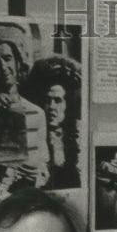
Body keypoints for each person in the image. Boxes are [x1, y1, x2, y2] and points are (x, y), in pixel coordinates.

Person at [0, 22, 50, 198]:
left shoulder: (37, 113)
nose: (2, 67)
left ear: (18, 61)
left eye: (7, 58)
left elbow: (43, 165)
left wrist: (36, 175)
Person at [26, 55, 82, 190]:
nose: (51, 106)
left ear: (68, 103)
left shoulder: (79, 135)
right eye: (47, 100)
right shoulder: (32, 133)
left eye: (58, 100)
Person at [96, 149, 117, 228]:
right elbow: (96, 177)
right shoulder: (105, 164)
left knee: (115, 217)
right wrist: (109, 181)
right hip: (105, 193)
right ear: (114, 154)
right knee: (104, 216)